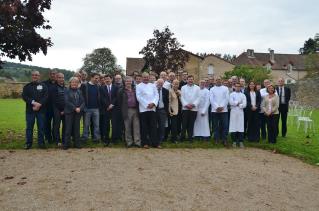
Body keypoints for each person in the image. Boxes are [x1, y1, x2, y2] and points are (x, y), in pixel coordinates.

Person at [22, 71, 48, 149]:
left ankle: (41, 143)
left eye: (36, 75)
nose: (35, 76)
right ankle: (28, 143)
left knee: (41, 127)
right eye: (33, 75)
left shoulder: (43, 86)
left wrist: (39, 104)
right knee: (29, 127)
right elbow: (24, 96)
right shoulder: (27, 86)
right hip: (30, 110)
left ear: (39, 76)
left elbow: (46, 96)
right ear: (31, 76)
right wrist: (33, 103)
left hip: (41, 111)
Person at [136, 72, 159, 148]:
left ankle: (155, 143)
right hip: (143, 109)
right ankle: (145, 143)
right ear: (142, 78)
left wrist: (153, 103)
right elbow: (139, 97)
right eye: (144, 77)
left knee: (153, 126)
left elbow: (156, 95)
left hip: (152, 109)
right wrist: (147, 104)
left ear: (149, 77)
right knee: (144, 127)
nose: (146, 78)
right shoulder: (138, 86)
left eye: (147, 77)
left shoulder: (153, 85)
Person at [117, 76, 141, 147]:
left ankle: (137, 142)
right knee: (127, 127)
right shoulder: (121, 91)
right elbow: (119, 102)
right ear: (124, 82)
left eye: (130, 81)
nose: (128, 82)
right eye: (127, 81)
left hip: (136, 110)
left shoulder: (135, 89)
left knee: (137, 127)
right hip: (126, 110)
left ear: (132, 82)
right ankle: (129, 142)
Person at [64, 77, 85, 149]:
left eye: (76, 82)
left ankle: (77, 144)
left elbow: (83, 101)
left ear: (78, 84)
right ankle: (66, 144)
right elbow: (67, 101)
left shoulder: (79, 91)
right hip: (69, 112)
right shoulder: (66, 91)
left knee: (77, 129)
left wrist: (80, 108)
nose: (74, 83)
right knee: (68, 128)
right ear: (70, 83)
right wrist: (75, 108)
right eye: (73, 82)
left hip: (78, 113)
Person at [81, 72, 101, 143]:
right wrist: (83, 107)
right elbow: (82, 97)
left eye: (98, 78)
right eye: (96, 78)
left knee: (96, 125)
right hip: (87, 109)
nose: (97, 80)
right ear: (91, 78)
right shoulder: (84, 86)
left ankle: (96, 139)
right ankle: (84, 138)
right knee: (86, 125)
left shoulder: (98, 86)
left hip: (96, 109)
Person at [210, 77, 229, 146]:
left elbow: (226, 98)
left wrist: (222, 106)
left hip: (224, 110)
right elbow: (211, 99)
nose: (218, 81)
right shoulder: (212, 89)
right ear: (215, 81)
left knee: (225, 125)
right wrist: (217, 107)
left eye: (219, 80)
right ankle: (216, 139)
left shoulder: (225, 88)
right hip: (214, 110)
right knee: (215, 125)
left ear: (221, 81)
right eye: (217, 80)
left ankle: (224, 139)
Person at [99, 74, 119, 145]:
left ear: (111, 79)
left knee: (114, 125)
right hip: (106, 109)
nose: (107, 80)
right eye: (106, 79)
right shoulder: (102, 88)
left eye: (108, 79)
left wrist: (112, 104)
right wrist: (108, 105)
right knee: (106, 125)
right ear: (104, 80)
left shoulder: (116, 87)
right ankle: (106, 140)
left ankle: (114, 140)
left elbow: (116, 97)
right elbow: (102, 98)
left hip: (114, 109)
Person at [180, 75, 200, 142]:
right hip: (185, 108)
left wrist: (193, 104)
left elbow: (198, 98)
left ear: (193, 80)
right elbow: (182, 97)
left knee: (191, 124)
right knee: (184, 124)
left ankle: (190, 138)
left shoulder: (197, 88)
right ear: (187, 80)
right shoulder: (183, 87)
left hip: (193, 109)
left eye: (191, 79)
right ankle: (182, 138)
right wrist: (186, 105)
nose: (190, 80)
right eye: (189, 79)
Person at [229, 82, 247, 148]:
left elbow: (244, 105)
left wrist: (237, 104)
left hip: (240, 112)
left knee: (240, 127)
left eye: (239, 86)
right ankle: (234, 141)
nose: (237, 87)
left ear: (240, 87)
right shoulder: (231, 94)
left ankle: (240, 141)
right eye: (236, 86)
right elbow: (230, 102)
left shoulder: (243, 95)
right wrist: (238, 102)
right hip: (233, 112)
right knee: (233, 127)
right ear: (234, 87)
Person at [52, 73, 66, 146]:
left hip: (65, 110)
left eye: (62, 78)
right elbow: (54, 100)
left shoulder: (65, 87)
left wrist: (64, 110)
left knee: (65, 125)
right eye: (60, 77)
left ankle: (64, 139)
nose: (61, 79)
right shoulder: (54, 87)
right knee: (56, 125)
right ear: (56, 78)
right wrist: (61, 110)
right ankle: (57, 140)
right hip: (57, 109)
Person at [43, 70, 56, 144]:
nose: (53, 75)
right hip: (47, 107)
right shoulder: (44, 84)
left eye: (54, 74)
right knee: (47, 124)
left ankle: (55, 138)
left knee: (55, 124)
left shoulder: (58, 83)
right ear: (49, 75)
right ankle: (48, 138)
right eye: (51, 74)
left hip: (56, 108)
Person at [156, 79, 169, 143]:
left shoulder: (166, 91)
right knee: (154, 125)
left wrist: (166, 111)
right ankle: (154, 138)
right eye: (159, 83)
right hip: (154, 110)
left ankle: (161, 139)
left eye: (161, 83)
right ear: (157, 83)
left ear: (163, 84)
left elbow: (167, 102)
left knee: (162, 126)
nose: (160, 84)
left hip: (162, 110)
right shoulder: (153, 90)